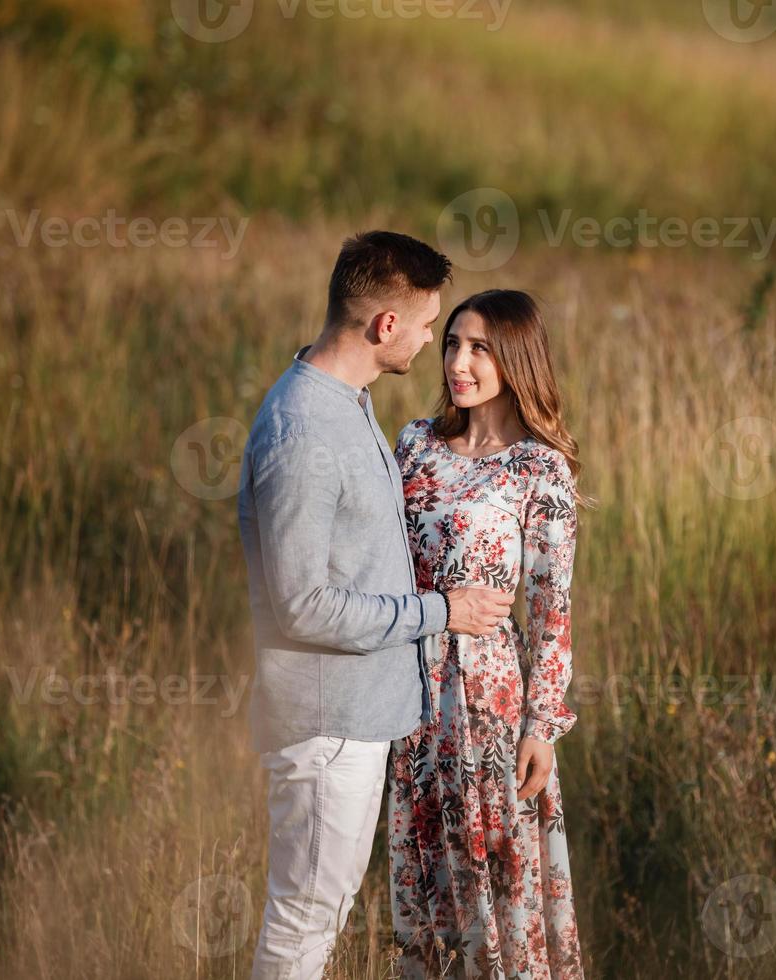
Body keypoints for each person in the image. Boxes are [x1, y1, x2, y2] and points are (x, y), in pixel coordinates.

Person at [237, 231, 516, 980]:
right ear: (386, 326)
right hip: (326, 727)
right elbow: (303, 606)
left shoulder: (346, 402)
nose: (434, 342)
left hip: (354, 721)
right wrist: (440, 611)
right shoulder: (304, 432)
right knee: (302, 924)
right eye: (429, 327)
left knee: (315, 920)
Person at [388, 290, 585, 978]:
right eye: (450, 343)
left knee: (492, 884)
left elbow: (551, 608)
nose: (458, 362)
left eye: (479, 347)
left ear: (517, 358)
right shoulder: (415, 444)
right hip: (406, 690)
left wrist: (542, 726)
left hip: (486, 698)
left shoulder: (538, 469)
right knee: (424, 887)